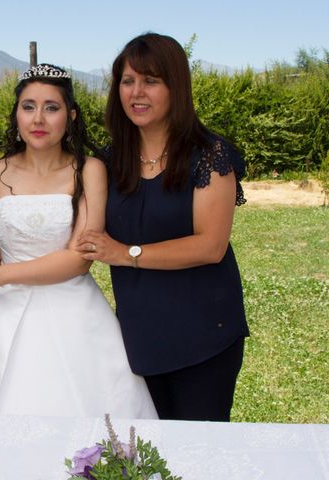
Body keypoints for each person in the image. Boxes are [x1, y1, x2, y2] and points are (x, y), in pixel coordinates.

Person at [0, 64, 157, 423]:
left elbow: (80, 259)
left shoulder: (89, 169)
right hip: (7, 315)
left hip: (74, 312)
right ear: (16, 114)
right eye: (28, 106)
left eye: (52, 107)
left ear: (70, 116)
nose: (38, 118)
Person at [77, 33, 249, 421]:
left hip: (204, 335)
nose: (137, 92)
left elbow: (211, 245)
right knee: (148, 451)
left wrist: (126, 254)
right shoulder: (108, 162)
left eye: (151, 81)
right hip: (138, 336)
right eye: (127, 81)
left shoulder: (209, 154)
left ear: (176, 87)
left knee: (197, 452)